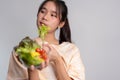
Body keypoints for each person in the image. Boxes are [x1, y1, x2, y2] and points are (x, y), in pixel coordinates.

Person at [7, 0, 85, 80]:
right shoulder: (22, 50)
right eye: (42, 11)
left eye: (53, 15)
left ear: (61, 23)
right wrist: (32, 67)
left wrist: (57, 59)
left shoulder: (71, 50)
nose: (45, 17)